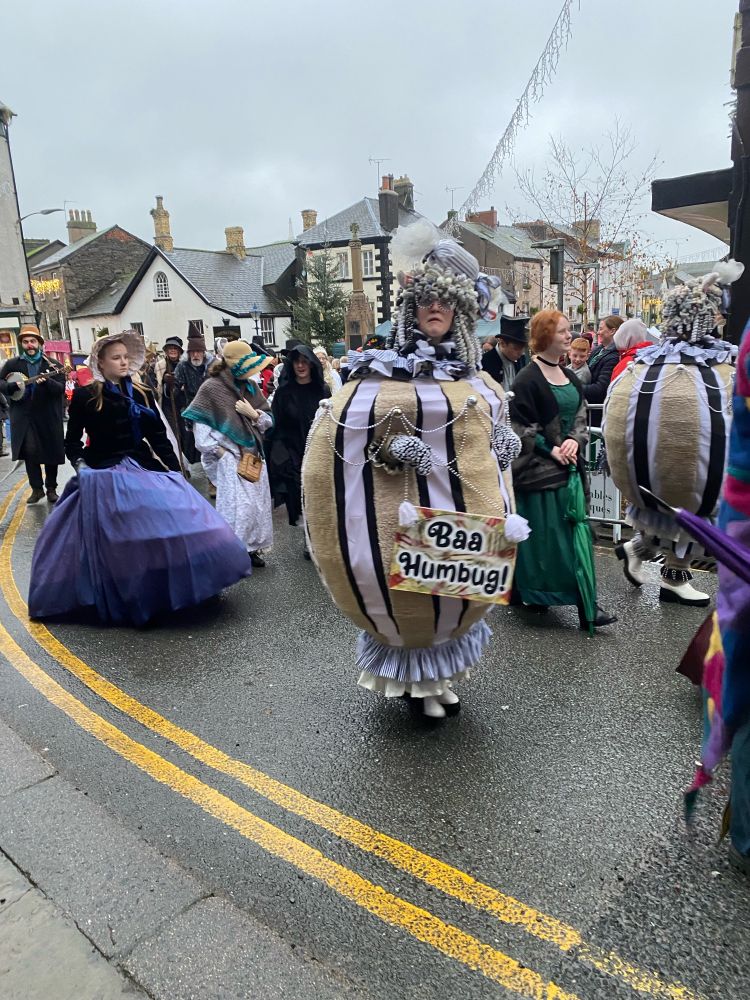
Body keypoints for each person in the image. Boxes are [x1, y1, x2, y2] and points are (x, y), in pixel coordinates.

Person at [303, 226, 526, 719]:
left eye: (445, 301)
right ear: (411, 307)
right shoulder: (380, 375)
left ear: (461, 310)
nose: (435, 308)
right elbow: (350, 440)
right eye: (425, 299)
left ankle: (437, 680)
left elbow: (486, 434)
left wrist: (504, 444)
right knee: (415, 598)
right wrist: (390, 450)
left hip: (460, 514)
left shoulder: (477, 380)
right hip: (401, 516)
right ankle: (420, 688)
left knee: (453, 594)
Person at [26, 331, 252, 625]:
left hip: (142, 464)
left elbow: (158, 437)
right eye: (115, 358)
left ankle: (168, 590)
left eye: (125, 357)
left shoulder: (143, 393)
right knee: (120, 542)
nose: (123, 362)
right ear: (101, 363)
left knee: (177, 521)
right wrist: (80, 465)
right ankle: (128, 595)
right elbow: (72, 441)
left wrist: (176, 471)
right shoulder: (85, 396)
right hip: (103, 472)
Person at [606, 263, 741, 606]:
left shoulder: (644, 366)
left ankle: (636, 550)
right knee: (693, 509)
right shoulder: (712, 371)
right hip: (685, 475)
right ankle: (673, 576)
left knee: (677, 510)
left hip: (661, 476)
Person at [509, 309, 616, 631]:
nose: (570, 336)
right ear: (544, 336)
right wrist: (551, 448)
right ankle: (540, 594)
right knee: (546, 541)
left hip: (570, 469)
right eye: (562, 331)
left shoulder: (569, 376)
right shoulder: (526, 379)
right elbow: (519, 428)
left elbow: (582, 417)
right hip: (538, 474)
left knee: (572, 537)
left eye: (569, 330)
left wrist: (573, 440)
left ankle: (583, 601)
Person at [183, 342, 274, 568]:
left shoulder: (251, 387)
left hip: (253, 457)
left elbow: (268, 422)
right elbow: (201, 430)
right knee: (237, 509)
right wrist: (222, 453)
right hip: (230, 459)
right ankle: (233, 552)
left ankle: (251, 549)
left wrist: (254, 415)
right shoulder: (212, 388)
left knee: (257, 508)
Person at [268, 344, 330, 535]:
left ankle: (317, 533)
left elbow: (330, 421)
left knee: (318, 493)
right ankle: (307, 534)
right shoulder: (283, 392)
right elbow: (276, 423)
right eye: (297, 362)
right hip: (292, 451)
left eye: (304, 361)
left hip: (317, 450)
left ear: (311, 364)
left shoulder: (322, 390)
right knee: (297, 491)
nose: (300, 366)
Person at [0, 325, 65, 504]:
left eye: (33, 341)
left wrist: (47, 383)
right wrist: (10, 387)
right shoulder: (13, 364)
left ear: (39, 343)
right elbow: (1, 383)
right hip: (24, 416)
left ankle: (51, 488)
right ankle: (36, 489)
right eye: (26, 342)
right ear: (22, 344)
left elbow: (60, 389)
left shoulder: (53, 365)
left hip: (48, 416)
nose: (29, 345)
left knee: (50, 452)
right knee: (29, 451)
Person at [174, 329, 210, 464]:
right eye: (192, 352)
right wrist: (170, 385)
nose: (195, 355)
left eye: (198, 351)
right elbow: (174, 390)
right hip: (192, 408)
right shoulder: (183, 366)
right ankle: (196, 467)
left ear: (203, 352)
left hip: (211, 409)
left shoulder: (212, 365)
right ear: (188, 353)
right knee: (195, 444)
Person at [584, 315, 624, 408]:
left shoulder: (614, 357)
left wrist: (574, 387)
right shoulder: (599, 349)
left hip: (597, 409)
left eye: (601, 329)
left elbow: (600, 389)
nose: (598, 332)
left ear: (612, 331)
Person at [481, 315, 529, 389]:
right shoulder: (485, 362)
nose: (521, 353)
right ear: (502, 343)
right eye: (516, 348)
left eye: (523, 348)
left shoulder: (521, 360)